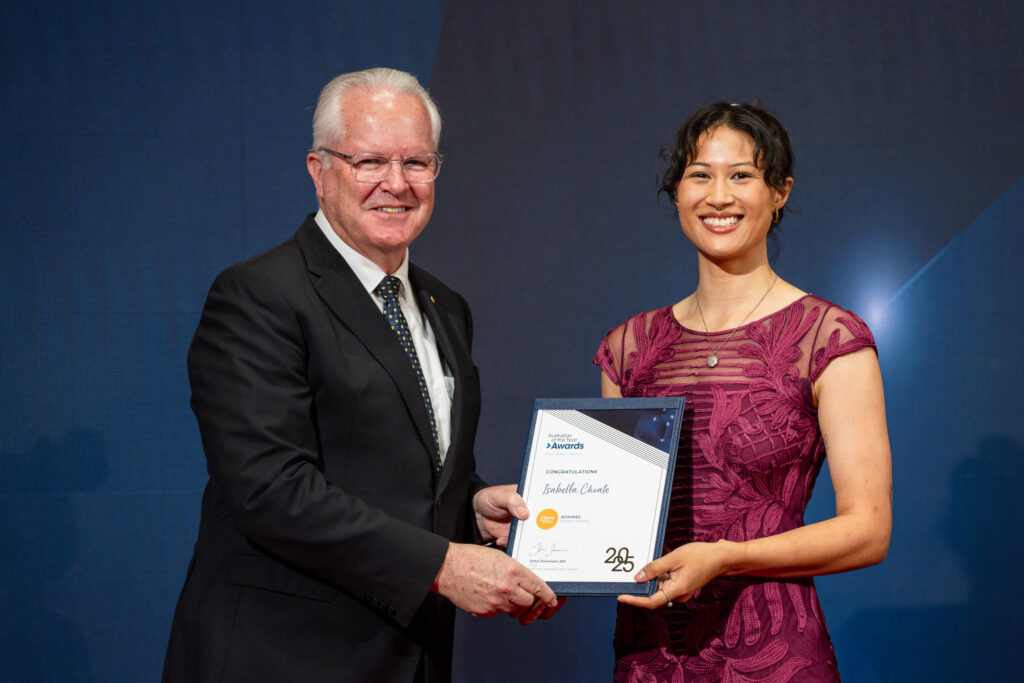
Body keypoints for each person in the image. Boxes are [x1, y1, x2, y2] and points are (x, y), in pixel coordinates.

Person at [163, 67, 562, 683]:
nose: (396, 184)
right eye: (369, 161)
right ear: (319, 172)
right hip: (281, 657)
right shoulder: (258, 295)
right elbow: (271, 489)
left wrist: (471, 509)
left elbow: (401, 470)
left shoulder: (445, 308)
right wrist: (442, 566)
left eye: (417, 163)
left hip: (410, 655)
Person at [593, 102, 892, 681]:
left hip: (775, 654)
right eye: (700, 175)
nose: (719, 196)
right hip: (649, 656)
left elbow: (869, 530)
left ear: (779, 192)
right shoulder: (630, 347)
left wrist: (730, 558)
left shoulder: (827, 337)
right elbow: (611, 521)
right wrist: (546, 528)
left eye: (742, 176)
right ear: (676, 192)